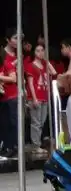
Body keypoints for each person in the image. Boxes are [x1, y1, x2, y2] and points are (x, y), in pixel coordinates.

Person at [24, 44, 56, 154]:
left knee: (41, 122)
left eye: (42, 50)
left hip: (45, 97)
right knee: (36, 122)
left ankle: (37, 143)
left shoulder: (45, 65)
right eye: (37, 51)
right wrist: (34, 98)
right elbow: (30, 84)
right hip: (36, 97)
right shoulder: (30, 66)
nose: (40, 53)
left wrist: (46, 61)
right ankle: (35, 145)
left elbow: (54, 72)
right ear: (34, 52)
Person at [0, 28, 22, 159]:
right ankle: (7, 147)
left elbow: (14, 78)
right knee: (6, 123)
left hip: (12, 96)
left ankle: (13, 148)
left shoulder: (8, 62)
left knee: (13, 122)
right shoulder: (5, 62)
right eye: (14, 38)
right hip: (4, 97)